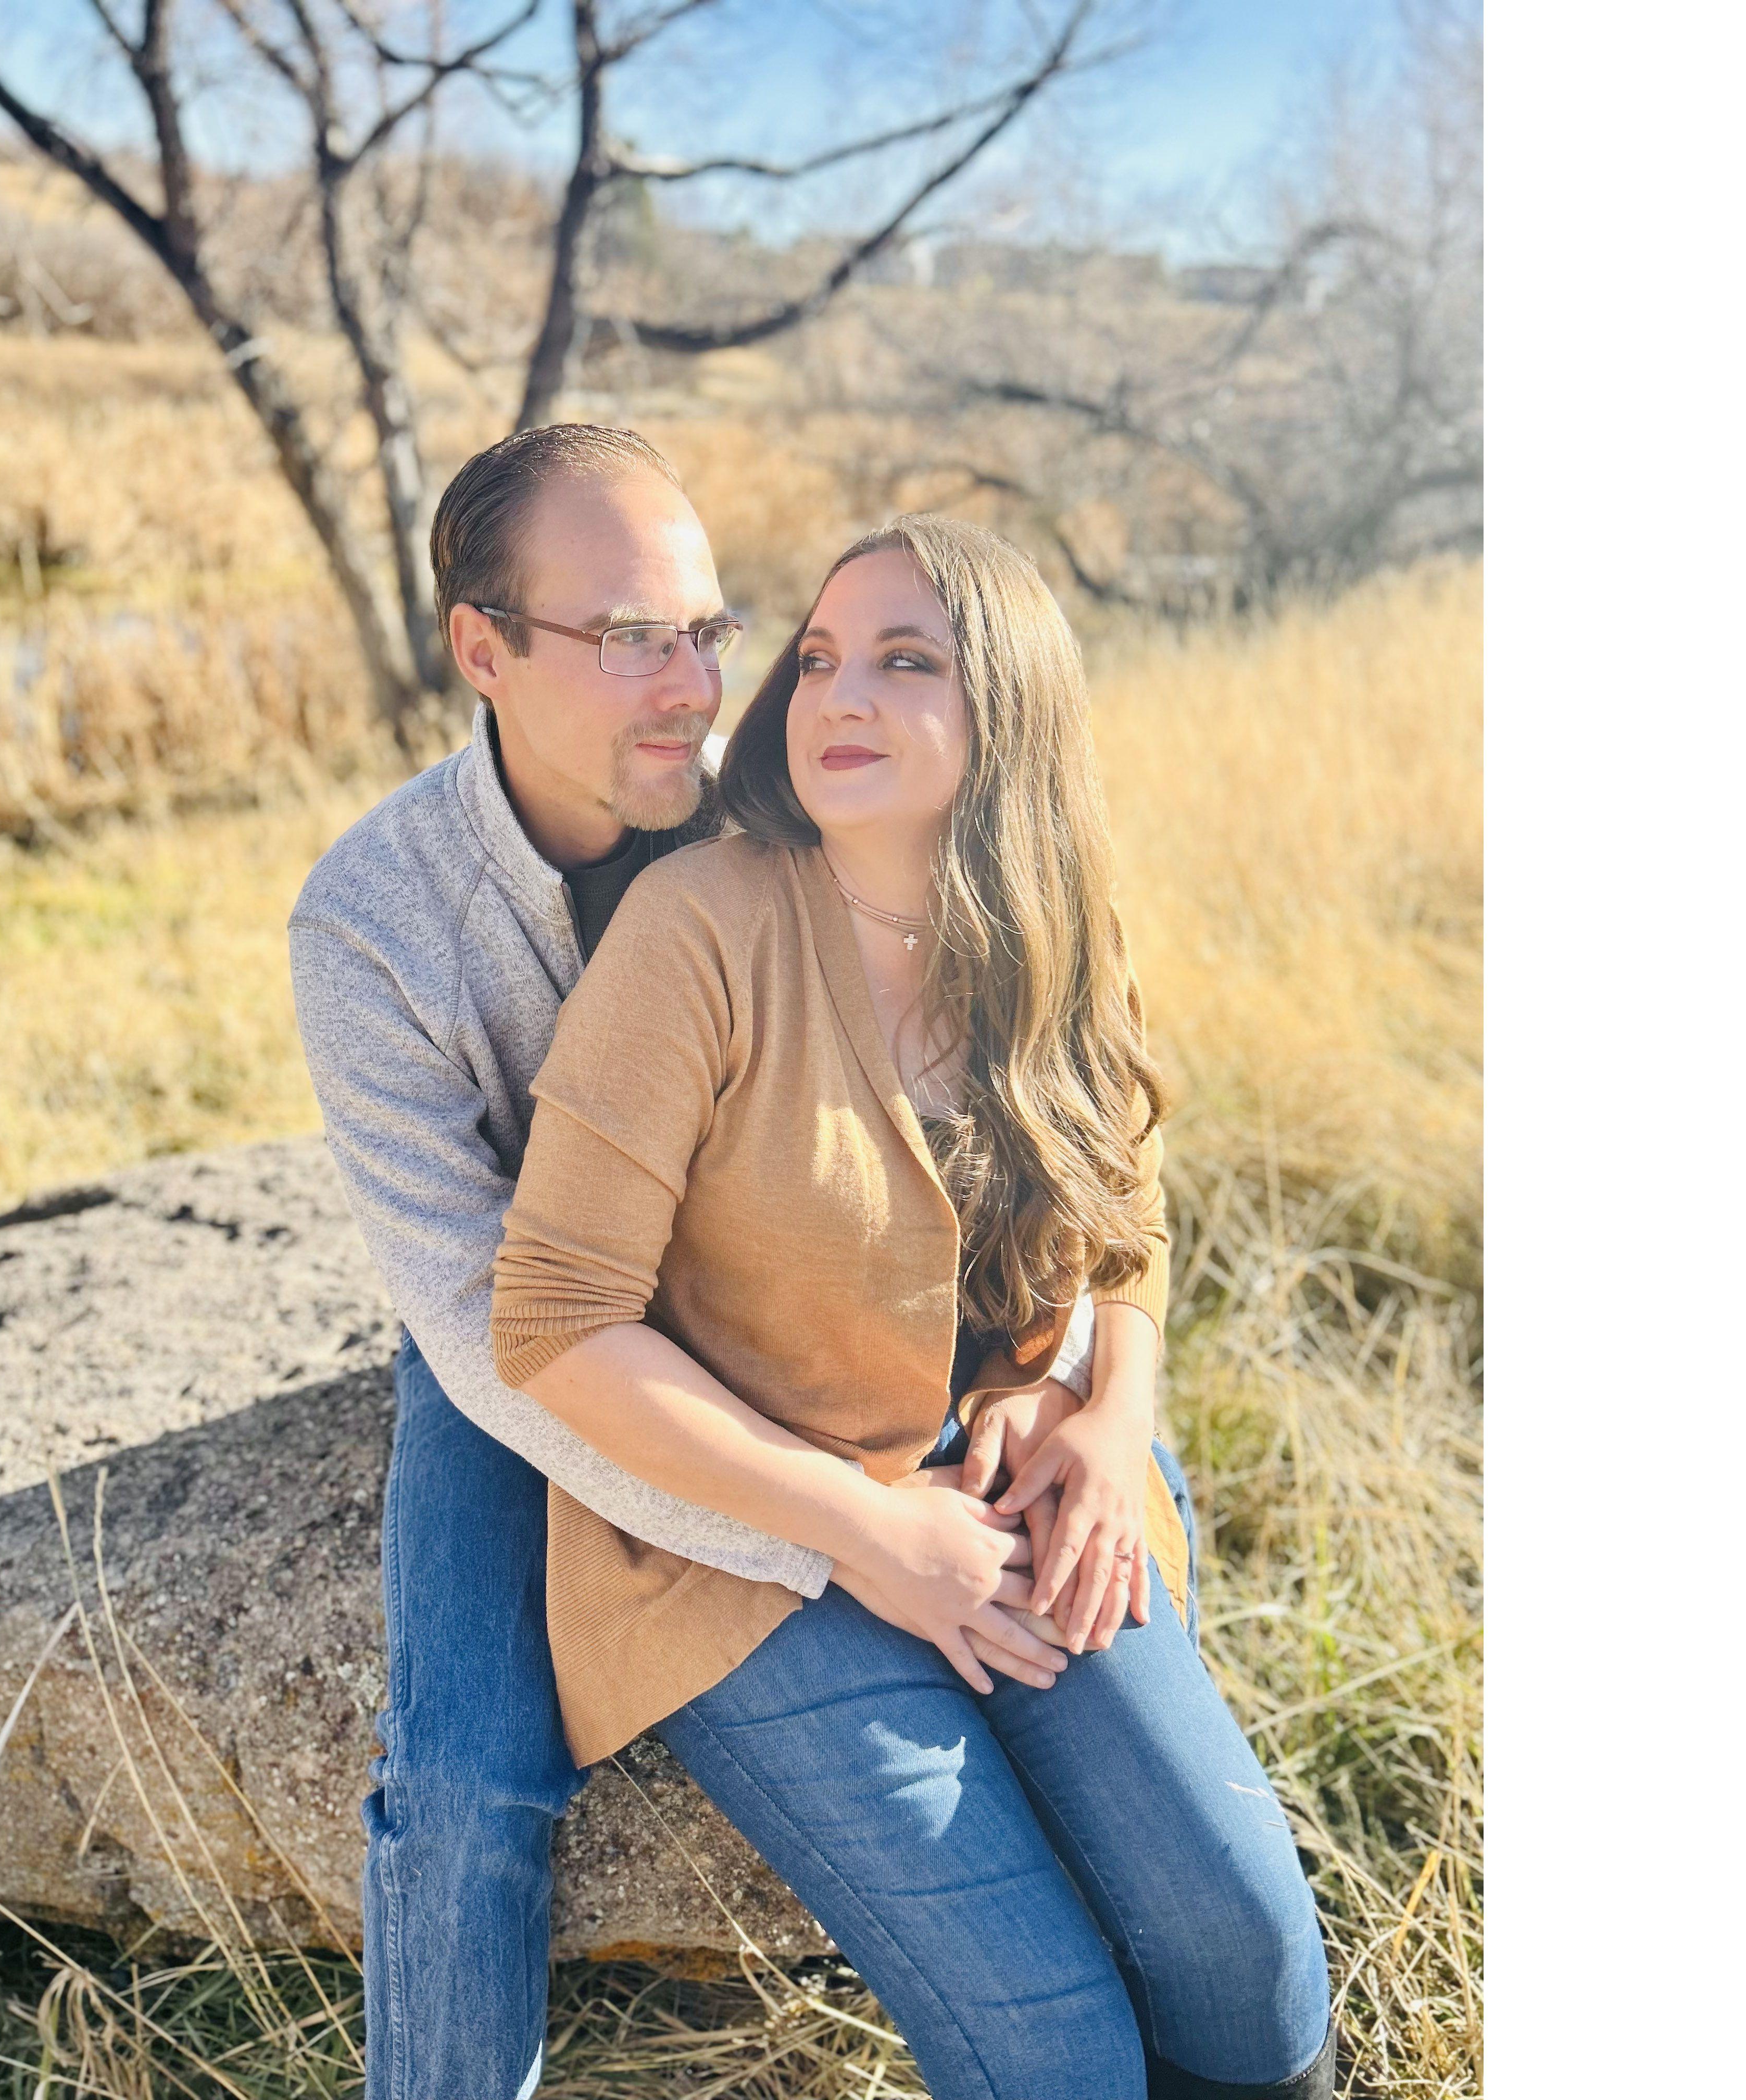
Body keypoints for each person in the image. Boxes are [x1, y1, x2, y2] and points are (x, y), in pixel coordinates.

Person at [290, 430, 1099, 2100]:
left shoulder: (785, 806)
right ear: (482, 649)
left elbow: (1020, 1085)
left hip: (779, 1307)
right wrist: (831, 1533)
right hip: (519, 1344)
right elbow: (487, 1322)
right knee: (467, 1781)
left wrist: (1078, 1370)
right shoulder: (371, 919)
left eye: (706, 630)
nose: (691, 687)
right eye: (626, 638)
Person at [491, 514, 1337, 2099]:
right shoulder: (700, 928)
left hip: (1000, 1486)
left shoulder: (1056, 923)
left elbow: (1128, 1200)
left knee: (1247, 1949)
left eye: (904, 660)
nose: (839, 695)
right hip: (741, 1545)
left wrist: (1111, 1414)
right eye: (818, 658)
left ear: (1007, 705)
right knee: (1057, 2047)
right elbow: (553, 1316)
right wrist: (868, 1534)